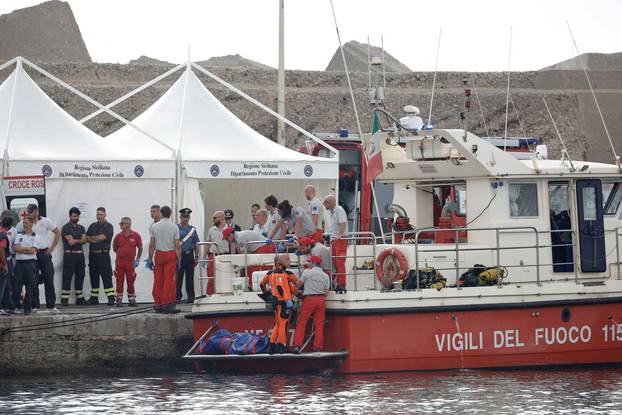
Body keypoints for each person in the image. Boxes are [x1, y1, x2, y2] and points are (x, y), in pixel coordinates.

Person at [15, 204, 61, 312]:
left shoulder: (45, 221)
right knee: (33, 280)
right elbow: (16, 234)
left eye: (31, 212)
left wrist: (52, 247)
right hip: (31, 255)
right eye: (28, 211)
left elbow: (57, 231)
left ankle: (51, 305)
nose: (29, 214)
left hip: (44, 252)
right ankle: (35, 305)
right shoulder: (23, 222)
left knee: (49, 278)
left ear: (37, 212)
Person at [260, 254, 300, 354]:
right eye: (287, 260)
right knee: (283, 324)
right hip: (283, 303)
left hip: (275, 302)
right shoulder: (285, 274)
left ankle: (272, 346)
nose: (289, 261)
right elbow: (284, 287)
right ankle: (282, 346)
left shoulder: (270, 274)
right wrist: (289, 300)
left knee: (277, 324)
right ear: (280, 263)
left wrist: (266, 293)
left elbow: (262, 284)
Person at [291, 255, 330, 353]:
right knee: (319, 324)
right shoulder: (326, 275)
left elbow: (299, 284)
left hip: (309, 299)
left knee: (302, 322)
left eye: (309, 262)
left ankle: (297, 345)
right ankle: (318, 347)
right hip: (321, 300)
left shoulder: (307, 272)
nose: (307, 264)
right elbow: (326, 293)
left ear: (313, 263)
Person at [147, 205, 180, 313]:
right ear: (170, 214)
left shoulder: (154, 226)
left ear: (161, 213)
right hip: (170, 254)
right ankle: (168, 305)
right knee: (169, 281)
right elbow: (177, 246)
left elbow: (152, 245)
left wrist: (150, 259)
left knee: (158, 280)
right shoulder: (174, 227)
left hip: (159, 254)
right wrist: (178, 259)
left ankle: (158, 304)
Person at [86, 207, 115, 306]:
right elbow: (87, 238)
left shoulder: (109, 226)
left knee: (106, 277)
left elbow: (102, 238)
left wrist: (93, 238)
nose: (99, 216)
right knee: (93, 277)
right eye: (98, 214)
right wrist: (96, 238)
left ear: (105, 215)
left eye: (101, 214)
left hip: (103, 255)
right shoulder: (92, 226)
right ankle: (94, 298)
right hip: (93, 255)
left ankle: (111, 298)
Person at [112, 217, 142, 307]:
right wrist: (121, 254)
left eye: (123, 223)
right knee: (119, 281)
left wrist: (138, 259)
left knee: (131, 281)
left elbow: (140, 248)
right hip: (120, 262)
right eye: (121, 224)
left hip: (130, 263)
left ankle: (131, 299)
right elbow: (115, 248)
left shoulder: (136, 235)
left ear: (129, 224)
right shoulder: (118, 236)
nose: (121, 225)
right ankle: (118, 299)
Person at [12, 217, 40, 315]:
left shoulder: (35, 237)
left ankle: (27, 308)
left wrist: (22, 249)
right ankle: (16, 307)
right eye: (23, 223)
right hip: (19, 264)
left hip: (30, 264)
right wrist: (27, 249)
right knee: (16, 287)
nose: (24, 225)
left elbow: (33, 251)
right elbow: (15, 248)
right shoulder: (19, 235)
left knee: (30, 287)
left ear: (31, 224)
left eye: (26, 223)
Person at [61, 207, 87, 306]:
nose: (76, 218)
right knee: (67, 276)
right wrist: (79, 240)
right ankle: (64, 299)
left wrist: (76, 240)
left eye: (77, 216)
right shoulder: (66, 227)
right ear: (70, 216)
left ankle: (79, 298)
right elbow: (71, 242)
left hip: (80, 256)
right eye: (74, 216)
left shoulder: (81, 228)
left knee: (80, 276)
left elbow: (85, 241)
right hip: (70, 255)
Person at [323, 195, 348, 293]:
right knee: (335, 262)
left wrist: (340, 235)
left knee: (339, 262)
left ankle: (341, 284)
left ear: (330, 202)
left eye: (325, 202)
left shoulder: (339, 211)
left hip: (339, 240)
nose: (325, 205)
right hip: (335, 240)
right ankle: (337, 283)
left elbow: (343, 223)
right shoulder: (334, 212)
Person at [176, 208, 200, 303]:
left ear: (189, 218)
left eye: (187, 217)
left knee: (190, 278)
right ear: (180, 217)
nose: (185, 219)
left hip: (189, 255)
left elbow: (196, 244)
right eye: (183, 217)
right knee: (178, 278)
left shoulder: (192, 230)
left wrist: (197, 256)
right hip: (180, 255)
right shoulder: (176, 228)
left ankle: (191, 298)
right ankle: (177, 297)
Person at [204, 210, 229, 295]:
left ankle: (224, 294)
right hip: (213, 256)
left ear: (221, 218)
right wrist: (204, 257)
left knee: (224, 277)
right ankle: (210, 295)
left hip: (224, 256)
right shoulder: (211, 230)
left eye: (215, 218)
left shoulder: (229, 229)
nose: (213, 220)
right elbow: (207, 244)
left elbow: (232, 244)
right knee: (211, 277)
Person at [0, 215, 15, 314]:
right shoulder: (3, 235)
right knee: (1, 287)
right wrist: (5, 264)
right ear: (9, 227)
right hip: (1, 265)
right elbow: (1, 249)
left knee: (5, 287)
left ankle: (7, 306)